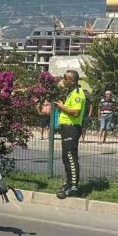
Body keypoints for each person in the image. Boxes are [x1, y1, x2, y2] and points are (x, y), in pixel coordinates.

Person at [54, 70, 86, 199]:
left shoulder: (78, 94)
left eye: (65, 79)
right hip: (66, 127)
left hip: (72, 128)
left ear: (72, 81)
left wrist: (62, 107)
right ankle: (68, 183)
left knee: (71, 157)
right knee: (66, 157)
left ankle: (74, 187)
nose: (63, 81)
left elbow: (76, 112)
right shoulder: (71, 92)